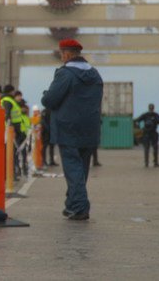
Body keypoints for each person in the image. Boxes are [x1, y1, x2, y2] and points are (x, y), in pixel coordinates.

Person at [41, 39, 103, 221]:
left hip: (68, 128)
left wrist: (46, 95)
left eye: (62, 54)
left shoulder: (65, 74)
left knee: (73, 169)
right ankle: (71, 204)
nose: (62, 57)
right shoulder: (95, 74)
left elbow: (50, 100)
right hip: (90, 129)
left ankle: (79, 207)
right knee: (81, 169)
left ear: (67, 54)